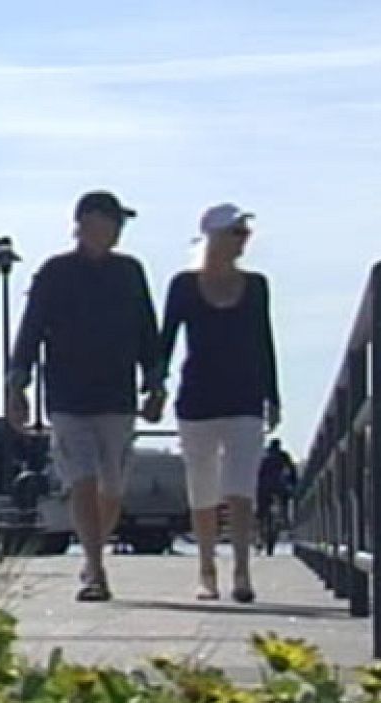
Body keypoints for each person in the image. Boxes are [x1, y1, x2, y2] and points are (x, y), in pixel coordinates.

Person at [7, 190, 165, 602]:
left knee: (111, 487)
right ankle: (95, 569)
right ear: (84, 225)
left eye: (117, 227)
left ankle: (93, 552)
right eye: (107, 225)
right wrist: (16, 383)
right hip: (68, 396)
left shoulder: (130, 272)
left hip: (117, 395)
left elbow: (148, 330)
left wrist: (156, 381)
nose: (113, 234)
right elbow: (30, 329)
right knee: (83, 480)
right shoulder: (54, 273)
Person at [159, 203, 280, 603]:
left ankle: (242, 570)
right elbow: (167, 340)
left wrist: (272, 396)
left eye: (245, 234)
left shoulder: (257, 285)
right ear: (214, 237)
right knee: (203, 486)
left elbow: (264, 341)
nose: (243, 241)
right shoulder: (184, 285)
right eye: (236, 233)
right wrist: (154, 385)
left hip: (245, 395)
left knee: (242, 487)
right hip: (198, 396)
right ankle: (206, 569)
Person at [257, 439, 298, 555]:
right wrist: (294, 484)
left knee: (261, 512)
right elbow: (292, 469)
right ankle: (285, 519)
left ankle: (260, 532)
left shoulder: (264, 455)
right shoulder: (283, 455)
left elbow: (256, 471)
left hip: (263, 487)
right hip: (279, 486)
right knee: (283, 503)